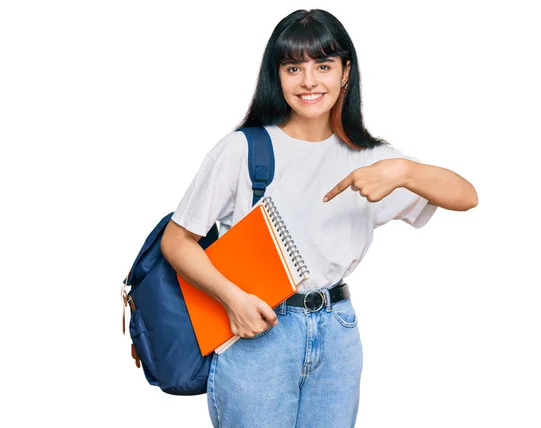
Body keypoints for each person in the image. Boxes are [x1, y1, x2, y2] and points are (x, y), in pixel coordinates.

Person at [160, 8, 477, 428]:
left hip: (337, 332)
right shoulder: (242, 150)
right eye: (294, 68)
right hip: (258, 332)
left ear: (346, 72)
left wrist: (405, 171)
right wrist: (232, 300)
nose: (309, 81)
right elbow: (176, 240)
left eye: (323, 66)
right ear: (278, 76)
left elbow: (467, 196)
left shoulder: (372, 158)